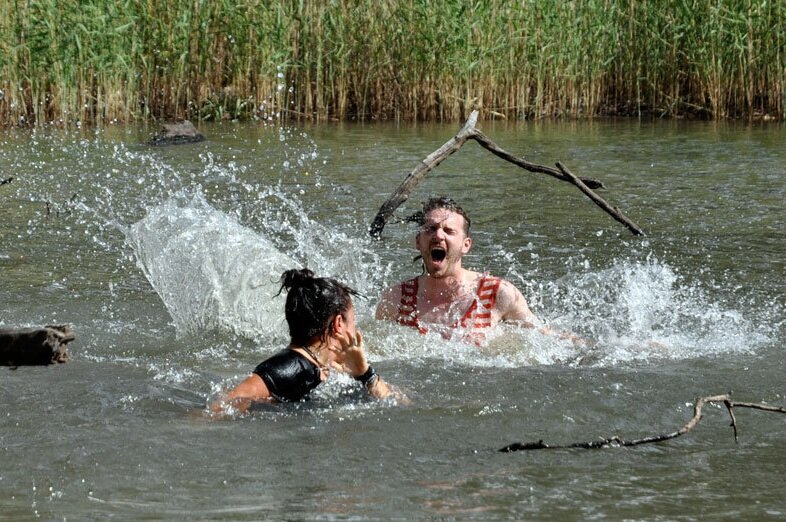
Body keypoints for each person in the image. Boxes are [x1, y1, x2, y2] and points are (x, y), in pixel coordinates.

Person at [376, 196, 579, 344]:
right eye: (430, 229)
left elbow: (545, 337)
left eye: (448, 231)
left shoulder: (497, 294)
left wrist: (589, 349)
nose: (438, 236)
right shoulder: (395, 300)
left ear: (466, 245)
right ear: (418, 242)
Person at [211, 268, 395, 413]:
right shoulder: (288, 368)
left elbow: (396, 402)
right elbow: (218, 409)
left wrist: (365, 373)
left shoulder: (327, 366)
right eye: (353, 323)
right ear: (339, 324)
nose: (355, 331)